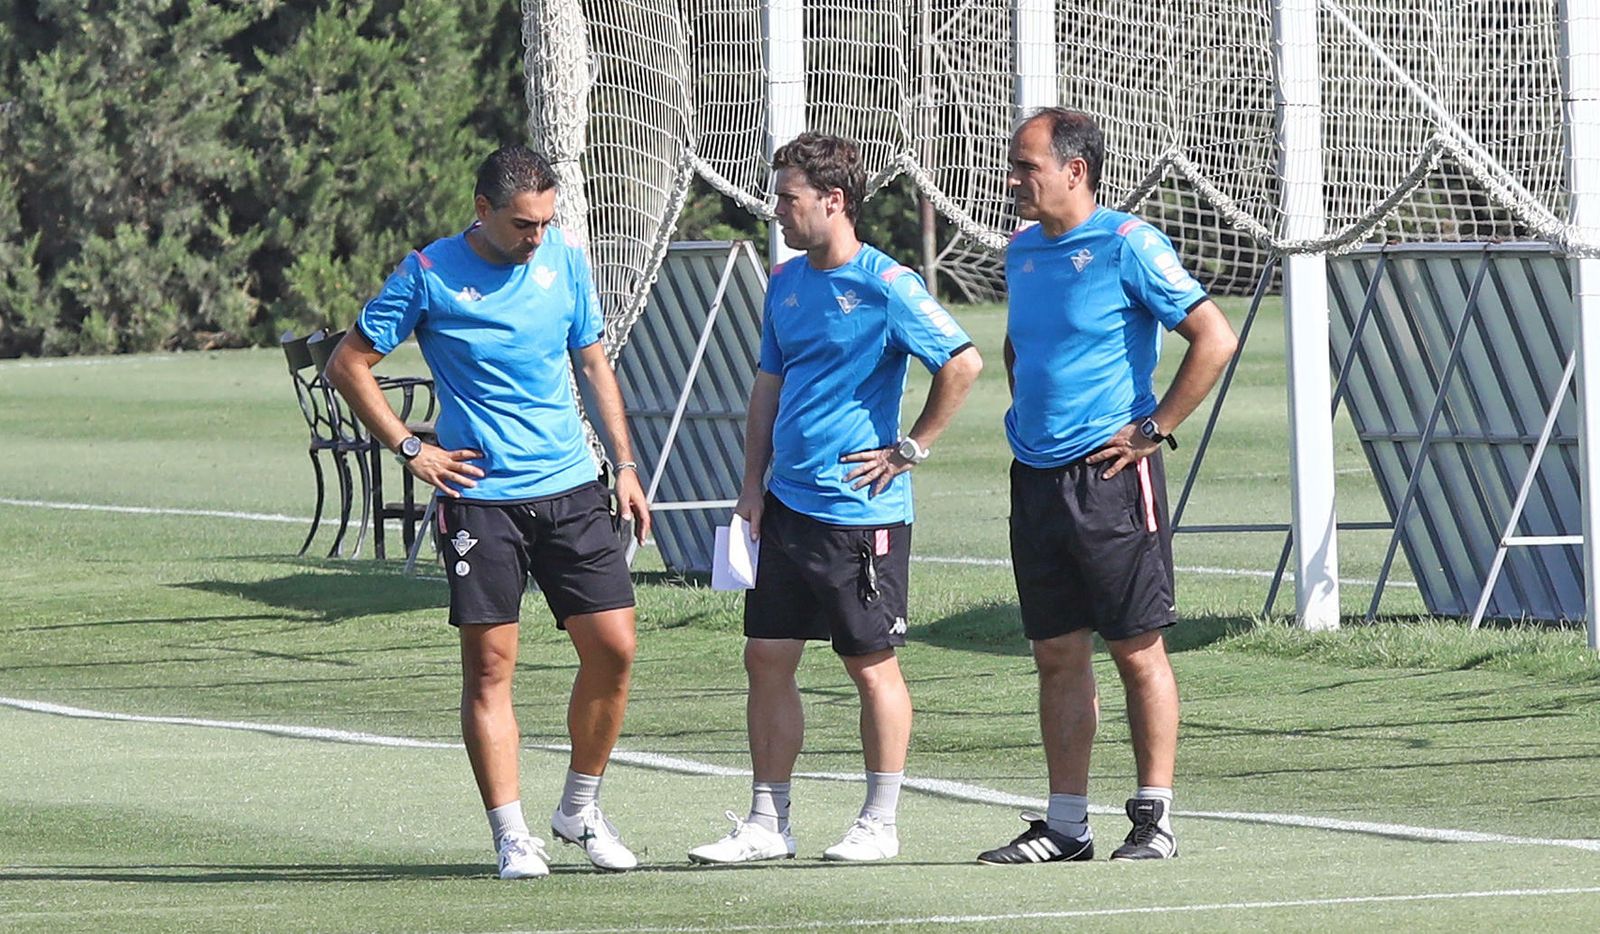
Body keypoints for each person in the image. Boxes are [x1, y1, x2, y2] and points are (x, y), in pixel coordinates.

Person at [325, 145, 652, 880]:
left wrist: (626, 466)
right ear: (482, 210)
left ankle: (579, 808)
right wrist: (410, 446)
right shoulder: (428, 274)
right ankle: (512, 836)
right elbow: (347, 364)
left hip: (571, 488)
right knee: (490, 670)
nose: (535, 236)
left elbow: (594, 361)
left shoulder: (564, 259)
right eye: (521, 224)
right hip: (480, 499)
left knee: (615, 648)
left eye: (544, 222)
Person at [687, 133, 982, 866]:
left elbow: (963, 362)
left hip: (860, 515)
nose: (777, 211)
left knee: (869, 664)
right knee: (767, 656)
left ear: (833, 200)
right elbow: (767, 389)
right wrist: (751, 488)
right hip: (786, 506)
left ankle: (879, 823)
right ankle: (767, 823)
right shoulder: (784, 283)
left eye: (788, 198)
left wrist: (910, 447)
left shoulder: (888, 284)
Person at [975, 109, 1238, 864]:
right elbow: (1020, 344)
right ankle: (1065, 827)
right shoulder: (1020, 252)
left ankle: (1154, 818)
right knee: (1057, 654)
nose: (1013, 178)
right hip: (1036, 478)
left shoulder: (1130, 244)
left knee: (1135, 649)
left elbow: (1214, 339)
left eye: (1026, 166)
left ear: (1074, 171)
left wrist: (1153, 429)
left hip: (1112, 477)